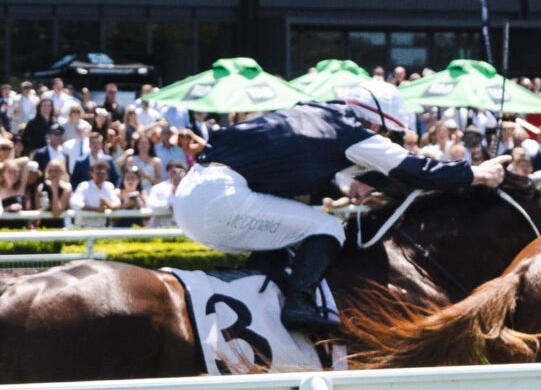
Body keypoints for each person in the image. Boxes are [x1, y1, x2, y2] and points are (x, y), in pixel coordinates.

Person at [171, 82, 498, 335]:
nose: (388, 140)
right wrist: (476, 173)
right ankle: (298, 306)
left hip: (192, 195)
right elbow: (416, 171)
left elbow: (331, 163)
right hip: (220, 200)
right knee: (325, 228)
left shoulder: (313, 113)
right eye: (389, 134)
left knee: (293, 228)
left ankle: (266, 294)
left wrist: (369, 179)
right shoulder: (354, 132)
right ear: (377, 125)